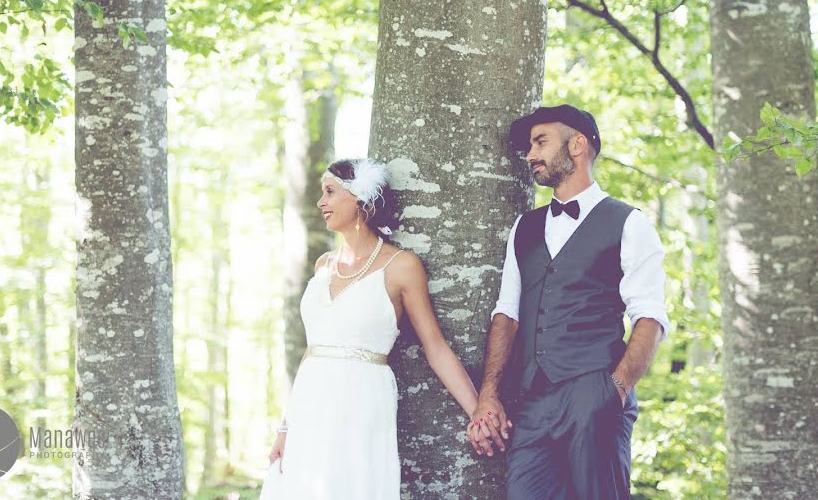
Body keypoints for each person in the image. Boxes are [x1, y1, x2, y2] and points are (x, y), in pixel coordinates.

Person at [466, 104, 669, 499]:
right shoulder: (524, 228)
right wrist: (489, 394)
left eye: (541, 142)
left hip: (594, 392)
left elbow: (650, 316)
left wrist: (616, 389)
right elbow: (507, 314)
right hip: (532, 402)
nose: (530, 155)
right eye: (529, 145)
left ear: (577, 145)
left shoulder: (629, 222)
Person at [260, 158, 479, 500]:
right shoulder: (323, 266)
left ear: (361, 200)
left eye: (330, 192)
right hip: (309, 405)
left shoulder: (401, 266)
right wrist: (285, 428)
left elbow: (435, 348)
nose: (321, 203)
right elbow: (313, 351)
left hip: (361, 402)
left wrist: (478, 412)